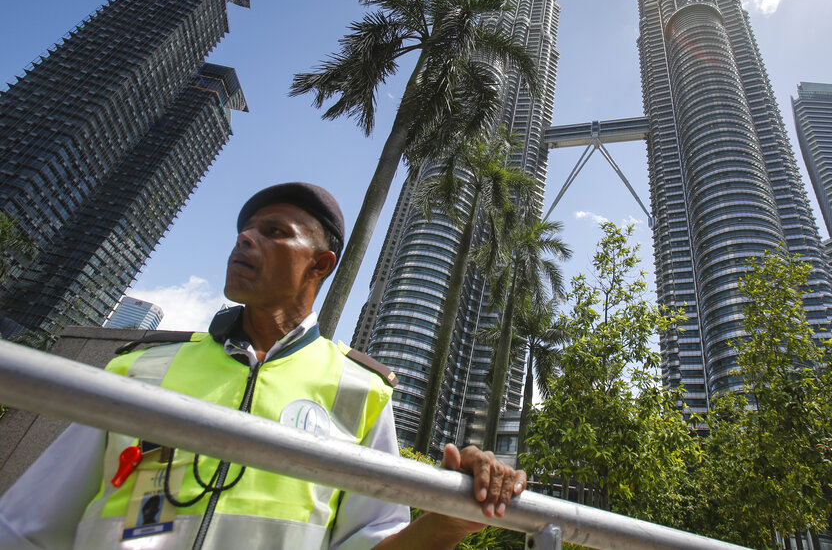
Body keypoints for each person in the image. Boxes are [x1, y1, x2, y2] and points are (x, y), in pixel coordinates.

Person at [0, 182, 526, 549]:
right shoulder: (143, 370)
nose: (245, 239)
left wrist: (450, 522)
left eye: (274, 232)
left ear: (320, 264)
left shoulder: (360, 392)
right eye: (244, 230)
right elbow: (26, 528)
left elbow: (367, 544)